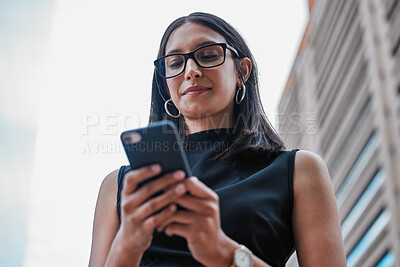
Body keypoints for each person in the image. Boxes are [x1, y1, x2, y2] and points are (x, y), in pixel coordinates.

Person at [89, 12, 346, 267]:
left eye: (208, 55)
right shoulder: (119, 185)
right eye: (175, 63)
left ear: (241, 72)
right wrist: (127, 246)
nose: (191, 71)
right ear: (166, 86)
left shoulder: (300, 170)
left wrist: (223, 250)